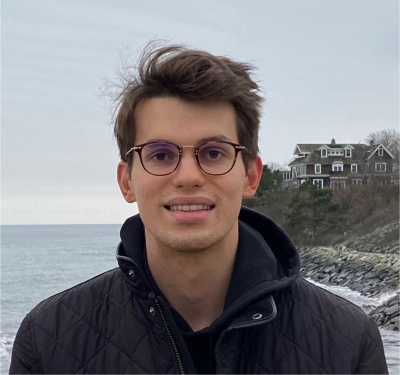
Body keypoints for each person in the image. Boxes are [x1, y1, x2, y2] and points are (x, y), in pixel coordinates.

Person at [10, 43, 388, 374]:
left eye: (213, 153)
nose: (188, 176)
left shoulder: (348, 340)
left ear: (250, 176)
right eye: (160, 155)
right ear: (127, 181)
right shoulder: (48, 340)